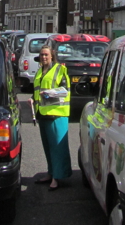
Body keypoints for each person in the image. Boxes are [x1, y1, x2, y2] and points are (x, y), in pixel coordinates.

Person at [30, 45, 72, 191]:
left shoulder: (60, 69)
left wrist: (49, 93)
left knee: (57, 148)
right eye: (42, 55)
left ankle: (57, 177)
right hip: (42, 113)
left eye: (46, 55)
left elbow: (65, 91)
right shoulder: (40, 71)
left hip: (56, 114)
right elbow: (37, 90)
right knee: (48, 147)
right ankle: (50, 173)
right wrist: (32, 99)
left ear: (52, 56)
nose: (44, 57)